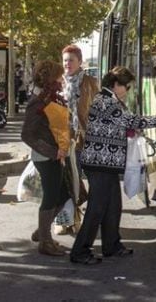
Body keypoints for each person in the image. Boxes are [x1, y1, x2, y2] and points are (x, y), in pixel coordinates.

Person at [70, 66, 156, 265]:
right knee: (97, 208)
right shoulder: (106, 101)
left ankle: (112, 246)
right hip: (99, 163)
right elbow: (133, 121)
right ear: (117, 85)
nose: (128, 90)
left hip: (105, 163)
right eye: (126, 86)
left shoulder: (108, 100)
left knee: (113, 206)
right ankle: (80, 251)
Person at [20, 60, 70, 256]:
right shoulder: (38, 101)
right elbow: (27, 134)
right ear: (50, 78)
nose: (61, 79)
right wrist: (52, 151)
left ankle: (41, 232)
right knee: (51, 197)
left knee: (63, 194)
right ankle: (45, 241)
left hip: (54, 154)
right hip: (46, 157)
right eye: (58, 76)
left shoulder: (50, 97)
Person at [56, 44, 99, 235]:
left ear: (80, 62)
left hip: (86, 138)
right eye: (65, 60)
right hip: (64, 139)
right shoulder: (58, 83)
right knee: (66, 182)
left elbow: (99, 109)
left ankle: (88, 219)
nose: (67, 64)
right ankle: (66, 220)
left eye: (71, 60)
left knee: (92, 181)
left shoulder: (90, 82)